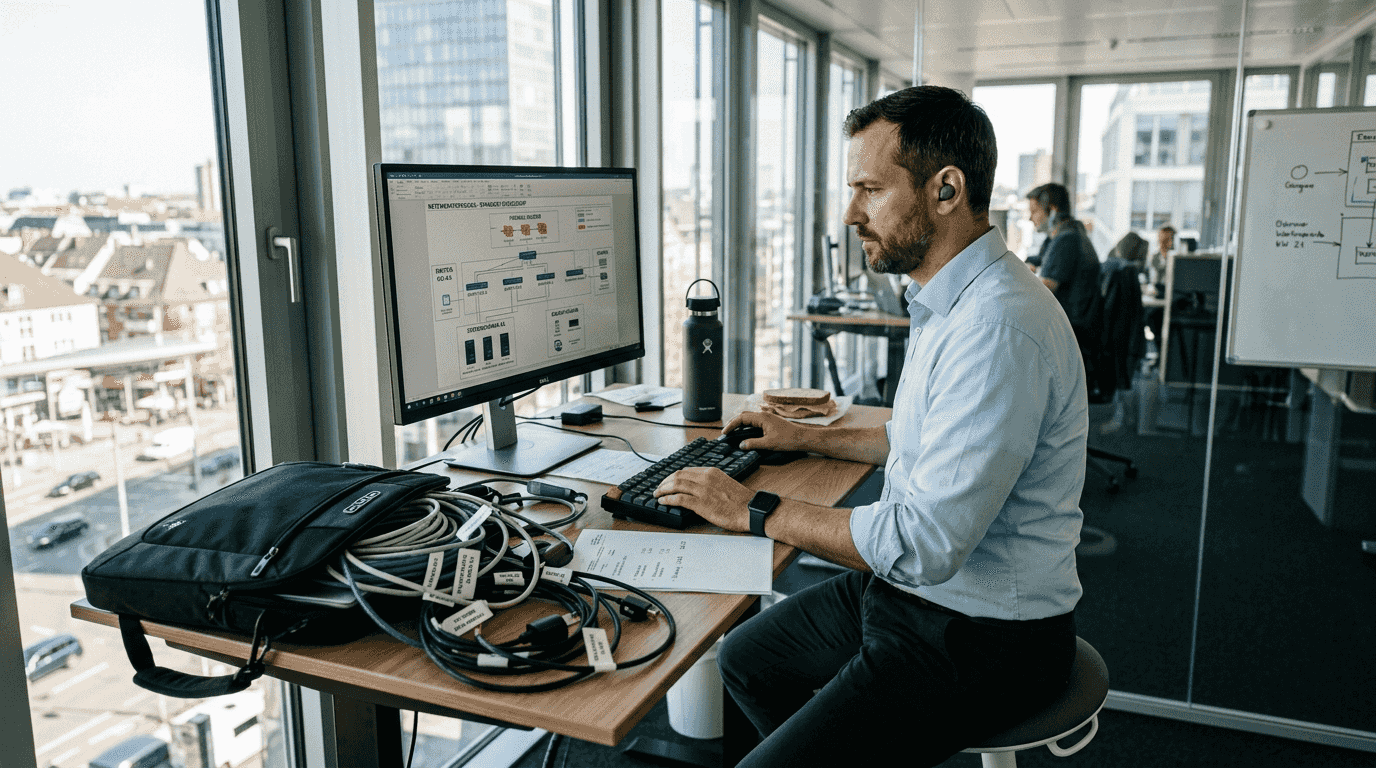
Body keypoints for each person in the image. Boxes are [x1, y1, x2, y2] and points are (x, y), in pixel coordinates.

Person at [652, 86, 1086, 767]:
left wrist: (752, 508)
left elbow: (920, 546)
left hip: (985, 634)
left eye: (869, 189)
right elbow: (921, 439)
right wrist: (807, 437)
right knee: (745, 660)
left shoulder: (998, 328)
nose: (851, 213)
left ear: (946, 190)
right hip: (920, 598)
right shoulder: (951, 297)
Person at [1026, 183, 1101, 337]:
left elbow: (1043, 290)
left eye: (1034, 211)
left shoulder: (1066, 240)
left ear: (1052, 210)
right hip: (1077, 328)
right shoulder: (1070, 232)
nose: (1030, 218)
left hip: (1072, 333)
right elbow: (1040, 260)